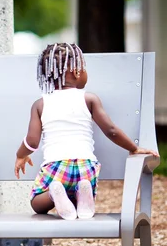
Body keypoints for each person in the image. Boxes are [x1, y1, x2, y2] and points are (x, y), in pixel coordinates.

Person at [14, 43, 159, 220]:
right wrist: (133, 148)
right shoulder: (89, 98)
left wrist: (21, 154)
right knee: (80, 188)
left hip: (56, 165)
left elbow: (32, 141)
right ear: (76, 72)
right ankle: (83, 196)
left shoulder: (40, 104)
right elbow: (111, 130)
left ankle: (54, 193)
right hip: (85, 165)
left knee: (37, 204)